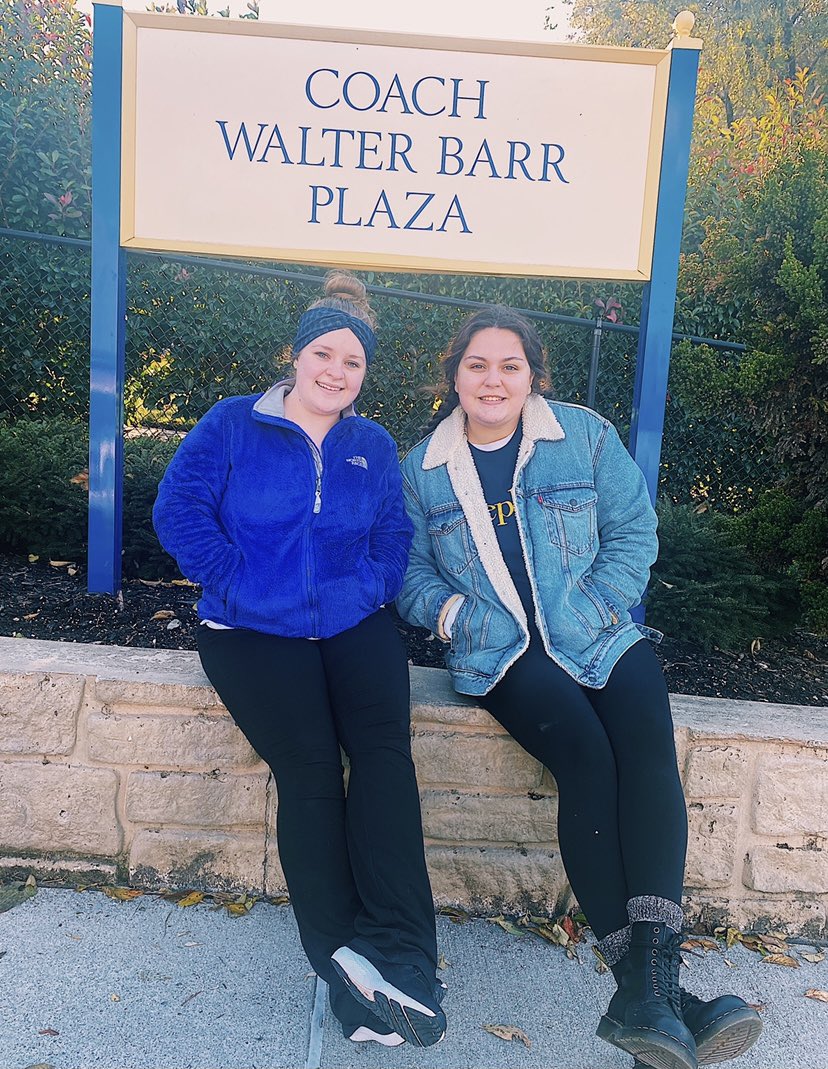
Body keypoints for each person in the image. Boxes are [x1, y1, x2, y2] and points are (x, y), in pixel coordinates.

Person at [396, 306, 762, 1069]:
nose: (492, 379)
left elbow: (634, 532)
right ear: (453, 372)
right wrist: (458, 613)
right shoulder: (422, 466)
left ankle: (648, 992)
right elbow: (407, 573)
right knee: (589, 764)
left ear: (533, 374)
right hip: (502, 655)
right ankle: (658, 996)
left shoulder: (584, 436)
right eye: (477, 364)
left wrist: (592, 607)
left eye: (509, 365)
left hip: (597, 629)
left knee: (649, 753)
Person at [153, 272, 446, 1049]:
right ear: (296, 354)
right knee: (313, 772)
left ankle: (411, 964)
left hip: (353, 624)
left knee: (384, 758)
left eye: (353, 363)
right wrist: (241, 580)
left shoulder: (371, 443)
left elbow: (393, 536)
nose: (337, 373)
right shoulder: (231, 424)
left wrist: (371, 587)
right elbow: (178, 510)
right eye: (325, 354)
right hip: (249, 630)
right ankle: (347, 972)